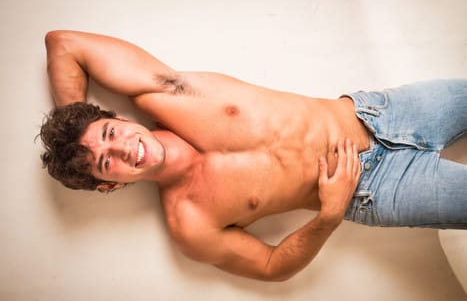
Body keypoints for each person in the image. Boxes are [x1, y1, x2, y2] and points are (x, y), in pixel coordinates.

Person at [39, 30, 467, 281]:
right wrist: (329, 216)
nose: (122, 148)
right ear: (109, 184)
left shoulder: (168, 93)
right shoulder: (190, 222)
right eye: (106, 162)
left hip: (382, 113)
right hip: (372, 190)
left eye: (110, 134)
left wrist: (74, 124)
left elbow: (63, 43)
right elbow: (270, 265)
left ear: (115, 117)